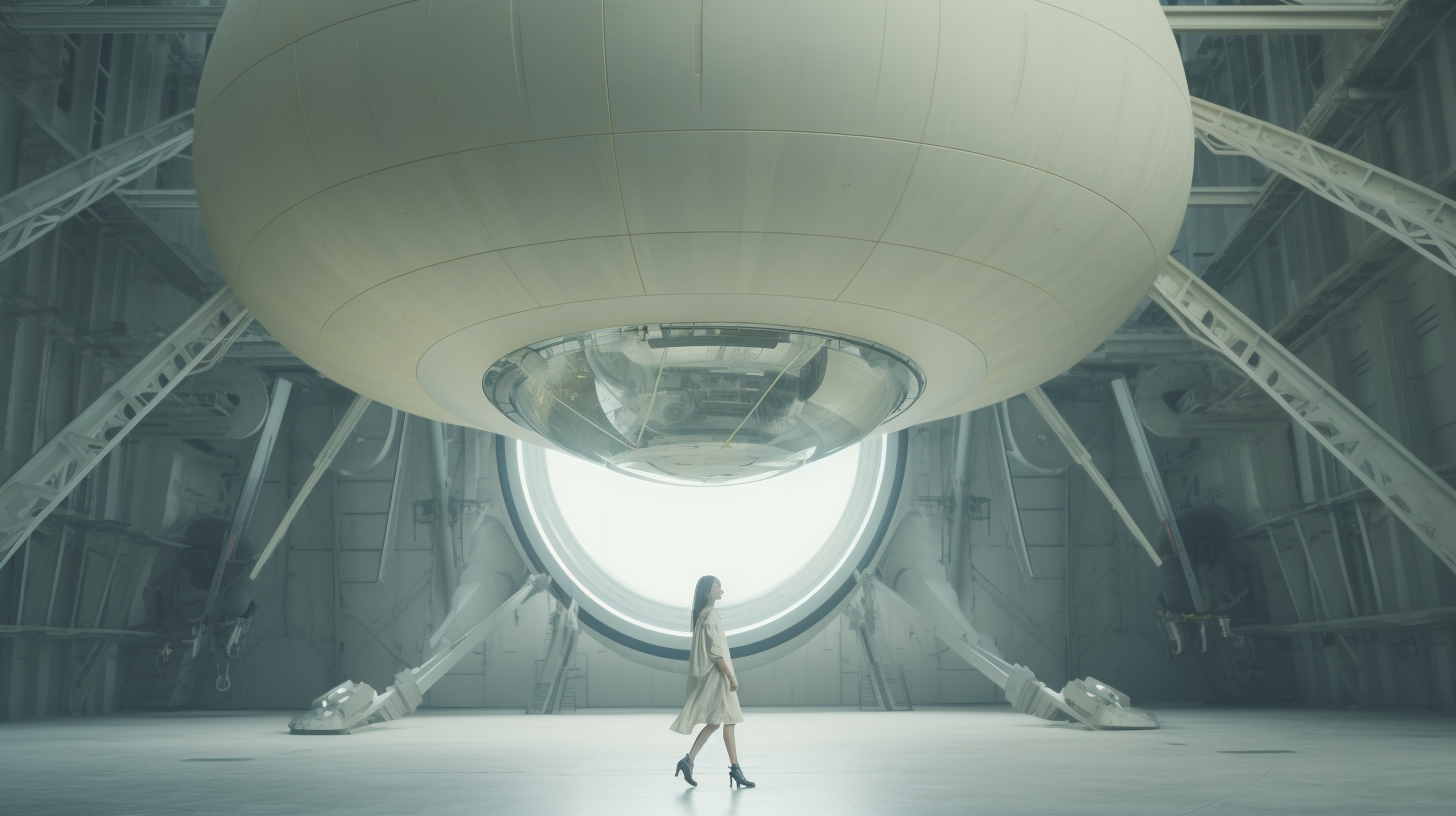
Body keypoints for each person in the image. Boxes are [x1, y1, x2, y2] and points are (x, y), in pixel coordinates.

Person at [670, 575, 755, 789]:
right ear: (708, 591)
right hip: (719, 677)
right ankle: (735, 769)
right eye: (716, 585)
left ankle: (688, 760)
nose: (720, 589)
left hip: (717, 675)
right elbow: (716, 652)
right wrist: (730, 676)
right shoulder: (710, 616)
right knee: (730, 720)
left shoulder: (703, 616)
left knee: (717, 722)